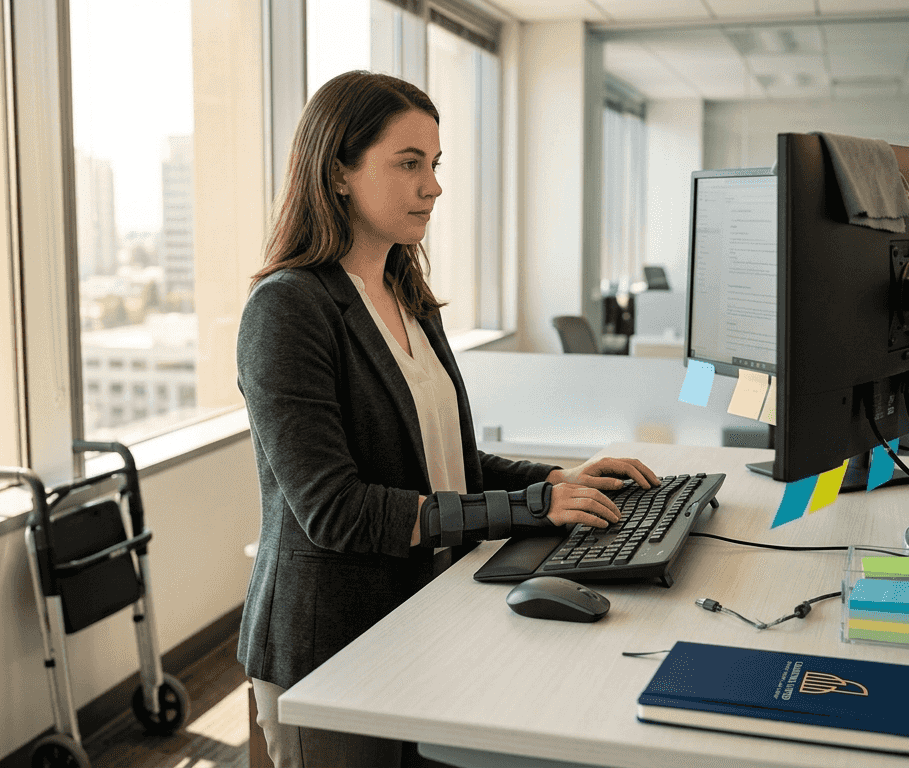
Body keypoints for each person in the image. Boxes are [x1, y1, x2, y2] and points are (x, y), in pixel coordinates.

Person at [237, 70, 661, 767]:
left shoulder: (408, 295)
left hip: (424, 616)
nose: (432, 186)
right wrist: (533, 506)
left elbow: (449, 469)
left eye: (434, 165)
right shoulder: (288, 309)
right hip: (332, 644)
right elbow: (336, 512)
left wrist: (561, 478)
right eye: (409, 164)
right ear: (339, 171)